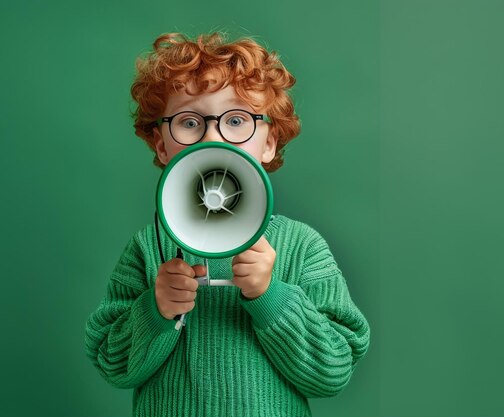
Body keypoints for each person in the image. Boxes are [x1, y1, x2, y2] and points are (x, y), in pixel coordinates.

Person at [85, 32, 370, 417]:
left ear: (269, 141)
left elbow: (332, 372)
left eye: (236, 120)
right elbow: (113, 365)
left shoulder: (302, 246)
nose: (213, 136)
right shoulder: (147, 249)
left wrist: (271, 297)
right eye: (189, 122)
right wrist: (155, 310)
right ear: (162, 146)